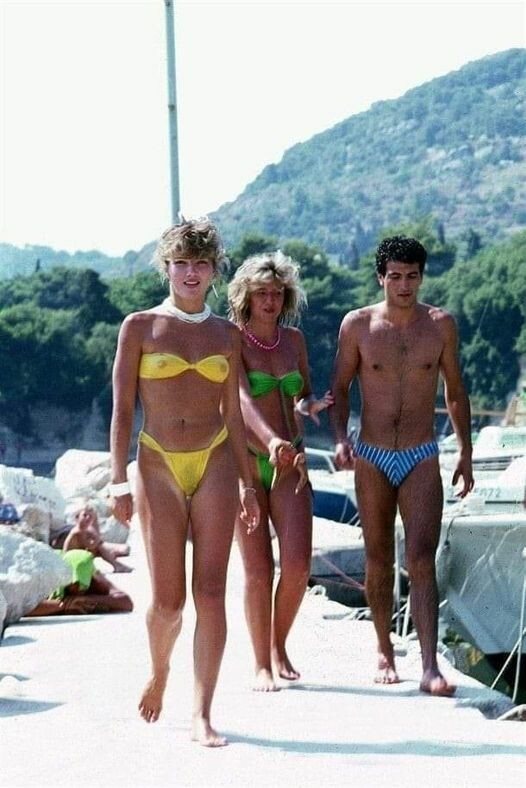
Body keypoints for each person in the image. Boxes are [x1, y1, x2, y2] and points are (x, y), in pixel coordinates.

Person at [110, 217, 259, 747]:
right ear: (167, 268)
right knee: (169, 602)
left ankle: (203, 713)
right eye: (181, 264)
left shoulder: (227, 335)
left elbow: (233, 414)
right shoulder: (140, 327)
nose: (191, 273)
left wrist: (248, 485)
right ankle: (160, 670)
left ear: (214, 270)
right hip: (157, 463)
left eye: (200, 264)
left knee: (211, 592)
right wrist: (117, 482)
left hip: (215, 458)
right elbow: (122, 412)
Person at [331, 235, 474, 696]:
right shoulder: (357, 325)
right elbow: (340, 388)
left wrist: (466, 452)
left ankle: (430, 666)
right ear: (381, 278)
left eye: (412, 276)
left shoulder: (440, 325)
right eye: (395, 276)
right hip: (372, 454)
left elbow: (455, 391)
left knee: (421, 558)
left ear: (422, 277)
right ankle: (384, 648)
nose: (404, 285)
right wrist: (340, 439)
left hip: (421, 453)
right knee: (378, 557)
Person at [228, 251, 332, 691]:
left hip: (292, 463)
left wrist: (311, 406)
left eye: (276, 293)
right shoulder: (232, 339)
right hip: (246, 464)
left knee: (298, 565)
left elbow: (300, 394)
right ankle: (261, 663)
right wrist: (271, 441)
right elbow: (240, 400)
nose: (270, 301)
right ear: (246, 297)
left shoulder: (293, 341)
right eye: (261, 294)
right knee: (257, 571)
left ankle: (278, 644)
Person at [26, 548, 133, 616]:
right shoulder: (50, 577)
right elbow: (25, 608)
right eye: (74, 584)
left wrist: (89, 599)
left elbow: (125, 601)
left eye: (82, 584)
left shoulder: (93, 576)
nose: (78, 589)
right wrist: (62, 605)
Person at [51, 504, 132, 573]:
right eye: (84, 516)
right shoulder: (77, 531)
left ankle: (116, 564)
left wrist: (96, 536)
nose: (87, 518)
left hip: (78, 554)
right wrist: (97, 541)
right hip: (70, 559)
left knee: (100, 547)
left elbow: (96, 537)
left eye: (90, 516)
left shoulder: (86, 529)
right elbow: (91, 545)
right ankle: (116, 564)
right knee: (99, 548)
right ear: (77, 518)